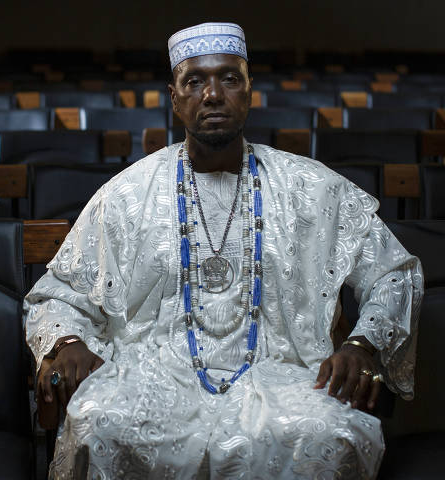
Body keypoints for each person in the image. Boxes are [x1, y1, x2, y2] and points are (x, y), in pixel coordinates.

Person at [25, 22, 423, 479]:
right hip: (154, 371)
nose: (212, 94)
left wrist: (361, 344)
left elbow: (394, 273)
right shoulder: (127, 194)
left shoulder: (313, 188)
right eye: (194, 81)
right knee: (98, 424)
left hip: (285, 373)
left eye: (229, 78)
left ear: (249, 91)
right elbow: (57, 292)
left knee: (331, 433)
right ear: (174, 98)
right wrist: (67, 340)